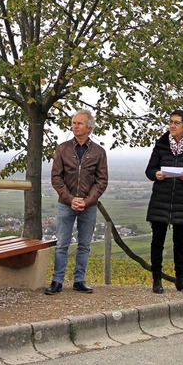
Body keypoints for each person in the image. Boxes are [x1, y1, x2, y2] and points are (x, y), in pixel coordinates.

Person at [46, 109, 108, 295]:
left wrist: (87, 201)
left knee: (84, 245)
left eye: (79, 123)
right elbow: (56, 178)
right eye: (73, 123)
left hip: (88, 206)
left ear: (89, 128)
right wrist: (71, 199)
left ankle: (79, 280)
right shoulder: (62, 149)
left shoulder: (99, 152)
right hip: (66, 204)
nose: (74, 126)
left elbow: (102, 180)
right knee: (62, 244)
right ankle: (57, 281)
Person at [145, 110, 183, 294]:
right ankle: (156, 280)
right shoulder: (161, 146)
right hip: (161, 198)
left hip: (182, 201)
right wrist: (156, 174)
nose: (172, 125)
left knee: (180, 243)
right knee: (157, 242)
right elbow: (149, 170)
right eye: (170, 122)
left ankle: (181, 280)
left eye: (176, 123)